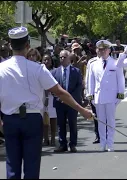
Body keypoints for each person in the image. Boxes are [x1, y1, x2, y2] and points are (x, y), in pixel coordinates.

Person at [0, 26, 92, 179]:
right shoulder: (38, 68)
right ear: (28, 45)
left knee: (12, 167)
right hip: (32, 120)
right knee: (31, 166)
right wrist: (82, 110)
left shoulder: (1, 69)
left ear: (10, 44)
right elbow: (60, 92)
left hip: (10, 119)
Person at [88, 40, 125, 151]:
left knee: (111, 121)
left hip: (111, 96)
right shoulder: (93, 64)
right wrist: (90, 96)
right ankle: (102, 143)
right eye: (100, 49)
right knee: (101, 122)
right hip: (99, 96)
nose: (103, 51)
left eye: (105, 49)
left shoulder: (115, 63)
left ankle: (110, 143)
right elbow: (91, 81)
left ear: (109, 50)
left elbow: (121, 80)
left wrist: (120, 96)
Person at [51, 50, 83, 153]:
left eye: (64, 57)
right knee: (61, 124)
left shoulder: (76, 71)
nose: (62, 59)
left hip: (72, 103)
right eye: (60, 57)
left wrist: (69, 98)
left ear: (69, 58)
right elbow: (52, 87)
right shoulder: (55, 72)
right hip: (59, 103)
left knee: (72, 123)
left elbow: (79, 87)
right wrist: (59, 97)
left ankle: (73, 144)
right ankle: (62, 144)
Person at [85, 48, 101, 144]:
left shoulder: (111, 61)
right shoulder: (92, 62)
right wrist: (88, 93)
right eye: (99, 49)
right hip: (94, 92)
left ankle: (106, 134)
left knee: (107, 117)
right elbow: (88, 78)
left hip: (106, 94)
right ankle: (98, 135)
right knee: (96, 116)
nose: (101, 51)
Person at [41, 54, 57, 146]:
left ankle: (53, 139)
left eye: (48, 60)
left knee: (53, 119)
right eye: (44, 60)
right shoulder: (40, 71)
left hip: (52, 98)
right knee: (44, 120)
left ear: (51, 62)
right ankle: (45, 138)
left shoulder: (54, 71)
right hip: (42, 98)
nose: (46, 62)